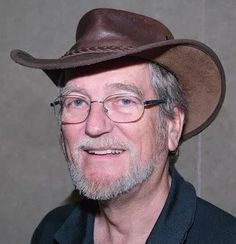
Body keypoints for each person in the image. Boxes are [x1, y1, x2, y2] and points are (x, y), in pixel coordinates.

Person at [11, 8, 235, 244]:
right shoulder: (50, 232)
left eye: (124, 100)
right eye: (76, 101)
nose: (94, 126)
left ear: (172, 126)